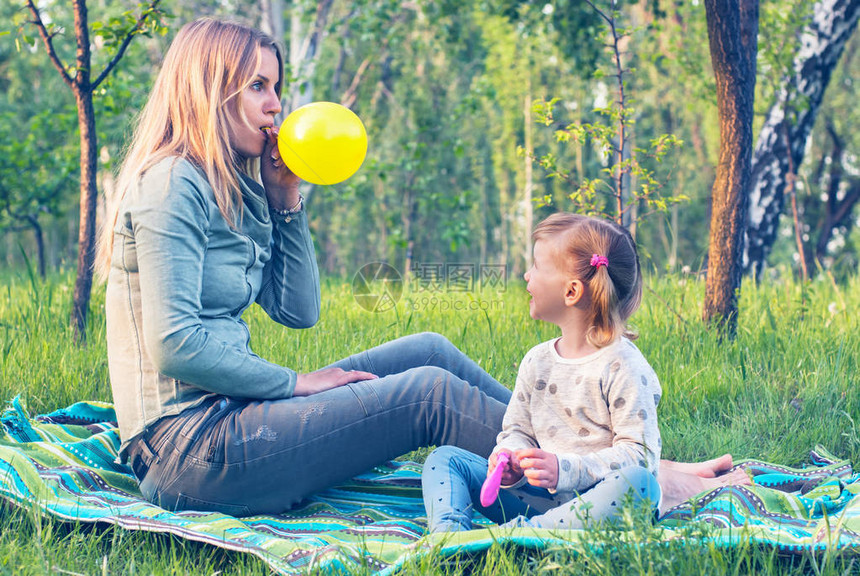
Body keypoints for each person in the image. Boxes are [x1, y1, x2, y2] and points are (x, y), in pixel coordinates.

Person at [98, 17, 745, 518]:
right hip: (188, 452)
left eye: (277, 85)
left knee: (428, 350)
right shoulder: (172, 183)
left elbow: (298, 311)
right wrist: (295, 384)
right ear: (211, 91)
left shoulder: (233, 188)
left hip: (229, 419)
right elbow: (175, 344)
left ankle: (607, 458)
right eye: (259, 87)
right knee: (427, 394)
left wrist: (285, 200)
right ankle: (642, 482)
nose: (276, 105)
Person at [422, 214, 748, 532]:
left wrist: (563, 469)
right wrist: (507, 460)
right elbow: (517, 430)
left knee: (640, 484)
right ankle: (449, 537)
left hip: (596, 503)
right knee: (446, 458)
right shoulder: (536, 361)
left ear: (571, 292)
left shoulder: (623, 365)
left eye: (536, 266)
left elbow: (640, 456)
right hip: (534, 500)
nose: (526, 275)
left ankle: (526, 535)